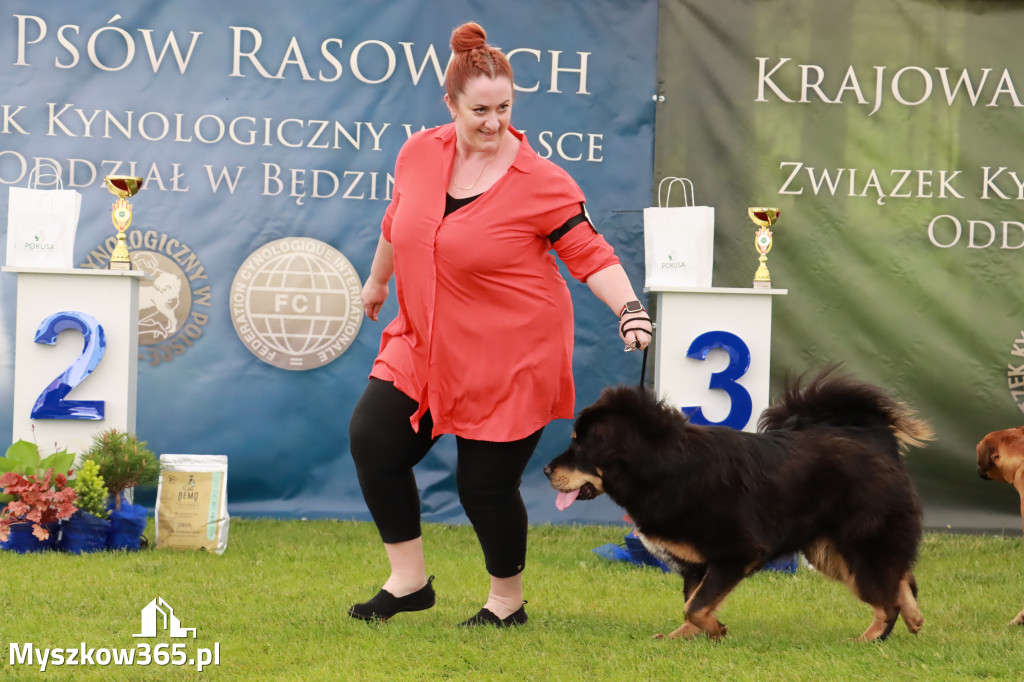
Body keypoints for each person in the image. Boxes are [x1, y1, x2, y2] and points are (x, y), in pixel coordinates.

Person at [347, 21, 652, 628]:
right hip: (424, 341)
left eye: (504, 108)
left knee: (482, 487)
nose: (493, 122)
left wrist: (629, 308)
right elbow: (397, 221)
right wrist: (378, 280)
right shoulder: (418, 153)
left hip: (510, 353)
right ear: (450, 105)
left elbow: (589, 253)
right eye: (480, 109)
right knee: (374, 440)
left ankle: (505, 604)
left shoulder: (541, 182)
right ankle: (408, 583)